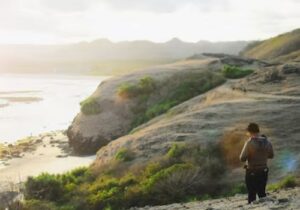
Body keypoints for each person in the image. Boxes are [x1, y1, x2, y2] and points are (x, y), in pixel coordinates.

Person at [240, 123, 274, 204]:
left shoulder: (249, 142)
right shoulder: (267, 142)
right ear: (258, 130)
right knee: (262, 193)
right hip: (264, 170)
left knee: (252, 194)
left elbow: (242, 158)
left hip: (252, 171)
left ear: (249, 131)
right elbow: (271, 155)